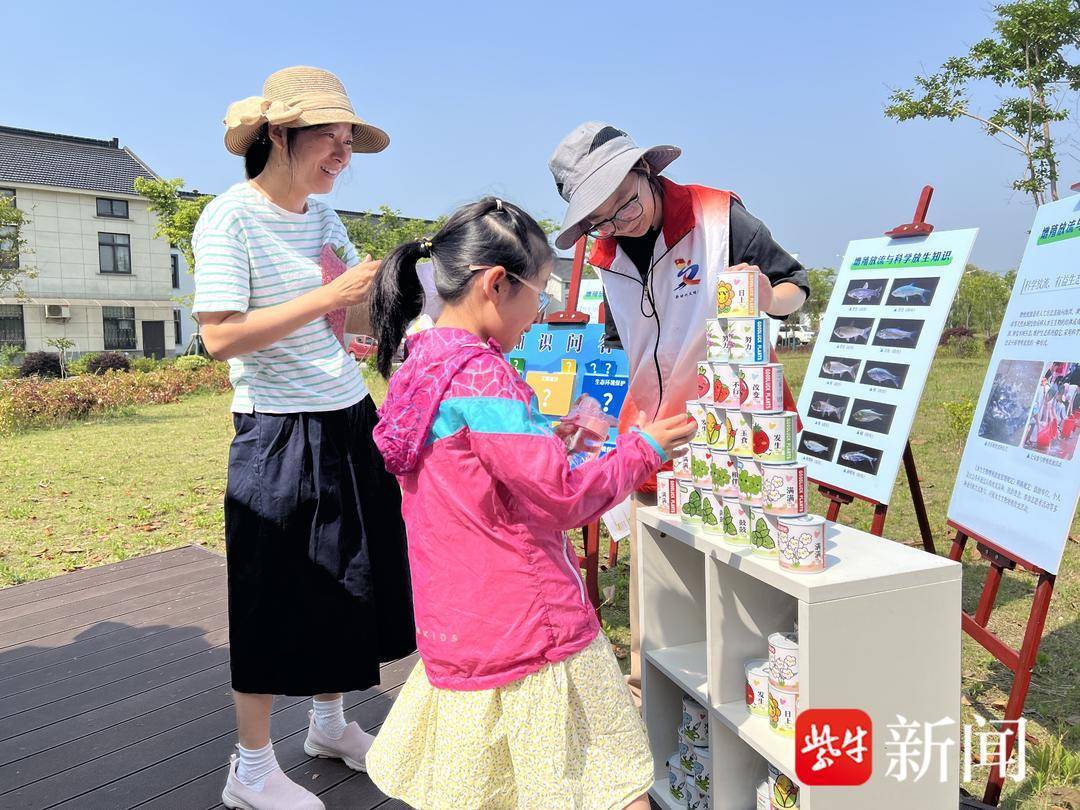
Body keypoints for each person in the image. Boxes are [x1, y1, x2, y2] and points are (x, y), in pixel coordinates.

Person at [363, 197, 697, 809]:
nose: (539, 313)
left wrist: (548, 437)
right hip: (531, 627)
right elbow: (563, 496)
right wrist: (646, 447)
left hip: (458, 624)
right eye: (539, 294)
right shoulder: (484, 375)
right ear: (496, 284)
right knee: (613, 789)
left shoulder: (419, 366)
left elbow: (472, 471)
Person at [192, 66, 415, 810]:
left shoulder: (322, 218)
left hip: (349, 415)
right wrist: (329, 295)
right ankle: (250, 769)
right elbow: (219, 338)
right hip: (276, 432)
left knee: (349, 576)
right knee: (270, 590)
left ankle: (329, 724)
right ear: (279, 136)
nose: (344, 153)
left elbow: (351, 313)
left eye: (350, 139)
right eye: (331, 136)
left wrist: (395, 291)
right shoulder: (228, 217)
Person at [548, 122, 810, 701]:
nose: (621, 223)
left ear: (647, 171)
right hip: (656, 433)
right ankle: (654, 695)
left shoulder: (718, 216)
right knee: (659, 573)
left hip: (738, 430)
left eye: (626, 203)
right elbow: (621, 346)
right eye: (601, 219)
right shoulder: (606, 253)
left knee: (749, 570)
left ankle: (764, 694)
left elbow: (796, 287)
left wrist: (767, 297)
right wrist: (583, 435)